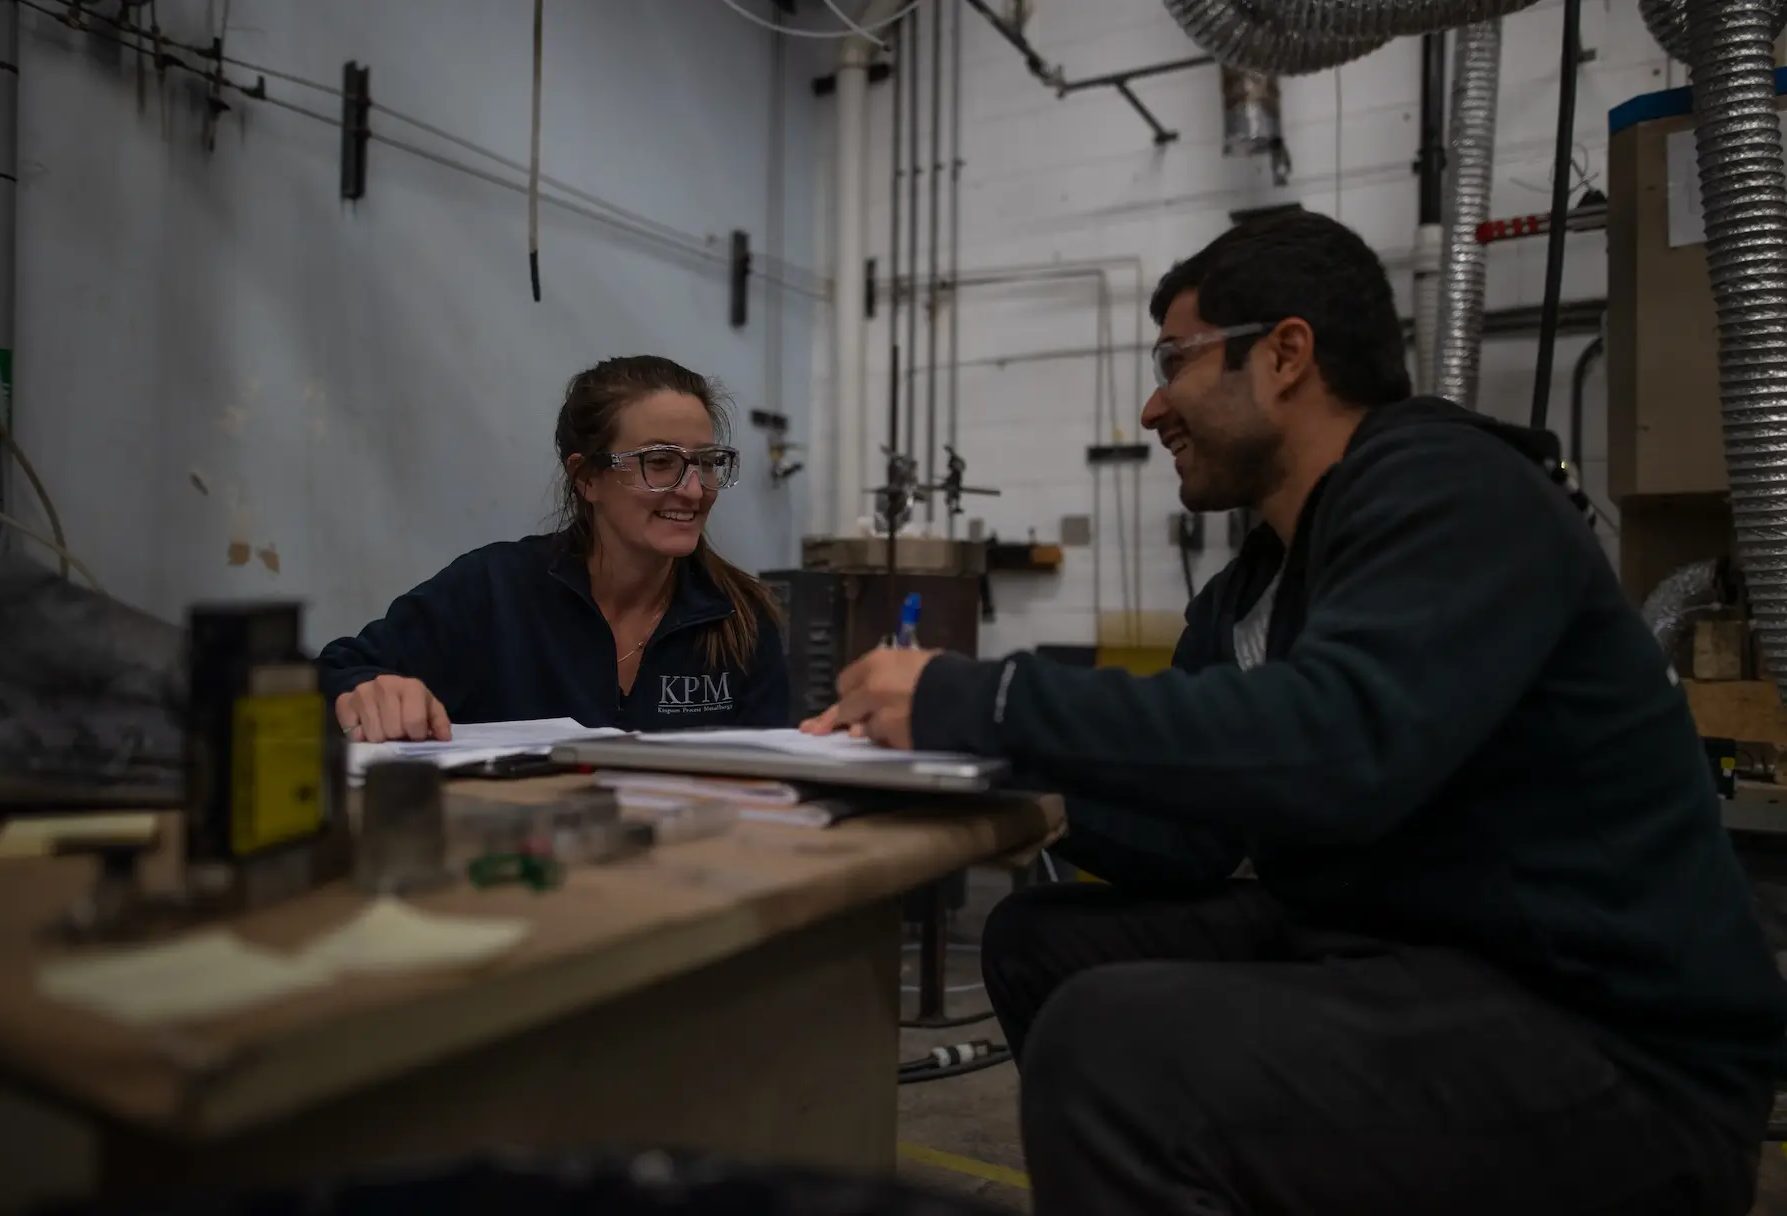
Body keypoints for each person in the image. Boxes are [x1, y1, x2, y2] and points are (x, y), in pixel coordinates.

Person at [805, 212, 1787, 1214]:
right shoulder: (1255, 587)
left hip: (1613, 1037)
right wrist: (939, 768)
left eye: (1174, 360)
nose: (1153, 405)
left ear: (1284, 355)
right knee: (1043, 938)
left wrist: (978, 695)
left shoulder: (1451, 489)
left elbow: (1341, 743)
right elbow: (1184, 840)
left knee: (1115, 1049)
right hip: (1420, 953)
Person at [319, 355, 789, 740]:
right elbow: (329, 674)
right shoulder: (494, 593)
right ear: (587, 478)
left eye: (707, 463)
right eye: (660, 462)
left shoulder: (740, 619)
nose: (692, 490)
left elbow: (777, 783)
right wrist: (363, 690)